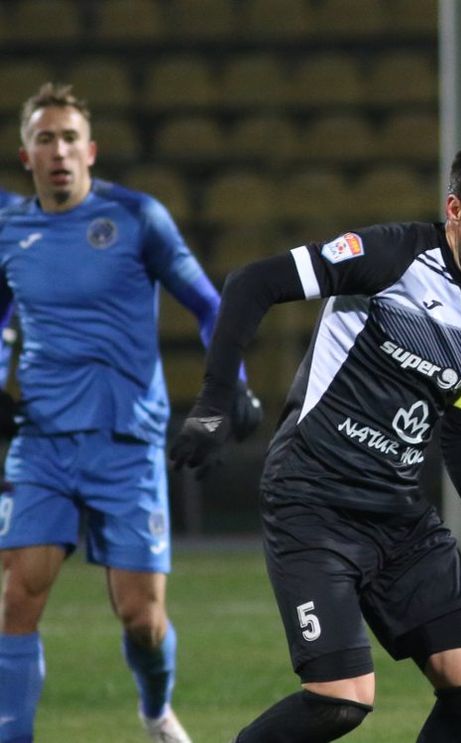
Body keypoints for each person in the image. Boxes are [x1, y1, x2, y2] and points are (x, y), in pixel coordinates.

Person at [168, 141, 461, 742]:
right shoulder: (390, 255)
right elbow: (251, 283)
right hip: (313, 501)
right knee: (339, 702)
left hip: (398, 516)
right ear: (455, 210)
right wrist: (213, 404)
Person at [0, 83, 260, 743]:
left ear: (90, 151)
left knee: (141, 618)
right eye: (44, 139)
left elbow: (209, 306)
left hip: (128, 443)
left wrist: (229, 387)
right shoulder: (9, 230)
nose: (58, 151)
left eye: (69, 138)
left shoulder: (138, 217)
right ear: (27, 156)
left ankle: (155, 710)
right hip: (43, 442)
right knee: (18, 595)